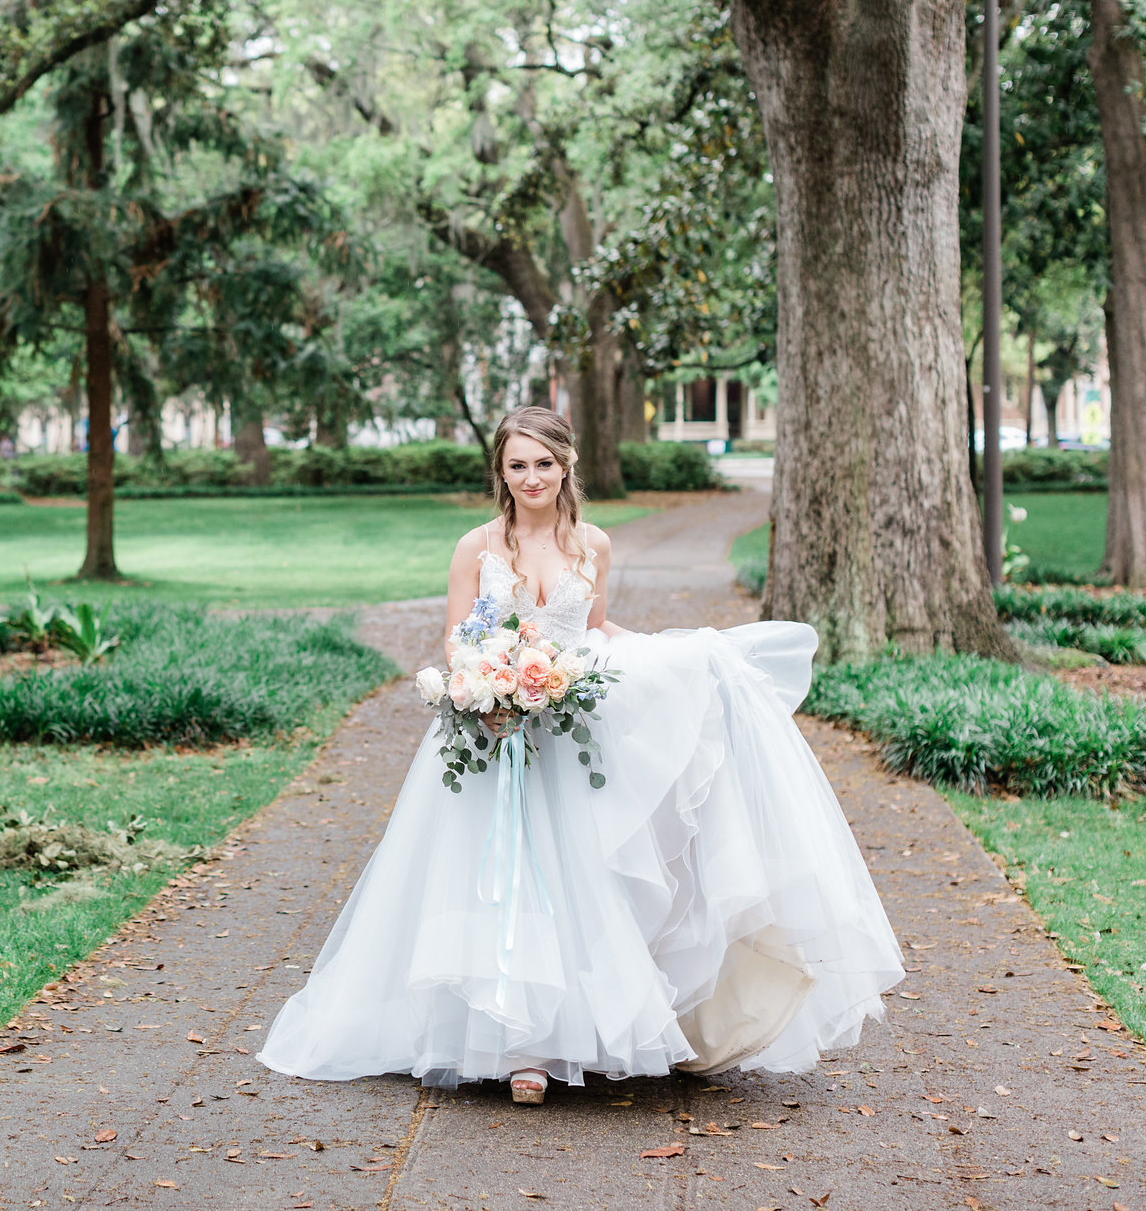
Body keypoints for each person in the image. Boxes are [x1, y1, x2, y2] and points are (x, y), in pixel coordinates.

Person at [256, 406, 903, 1103]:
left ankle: (571, 1034)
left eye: (543, 462)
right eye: (517, 464)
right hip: (494, 727)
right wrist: (486, 683)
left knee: (579, 878)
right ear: (500, 471)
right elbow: (455, 637)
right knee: (500, 876)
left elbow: (593, 631)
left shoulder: (592, 543)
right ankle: (515, 1046)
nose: (531, 477)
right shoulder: (476, 545)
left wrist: (675, 656)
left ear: (566, 465)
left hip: (570, 728)